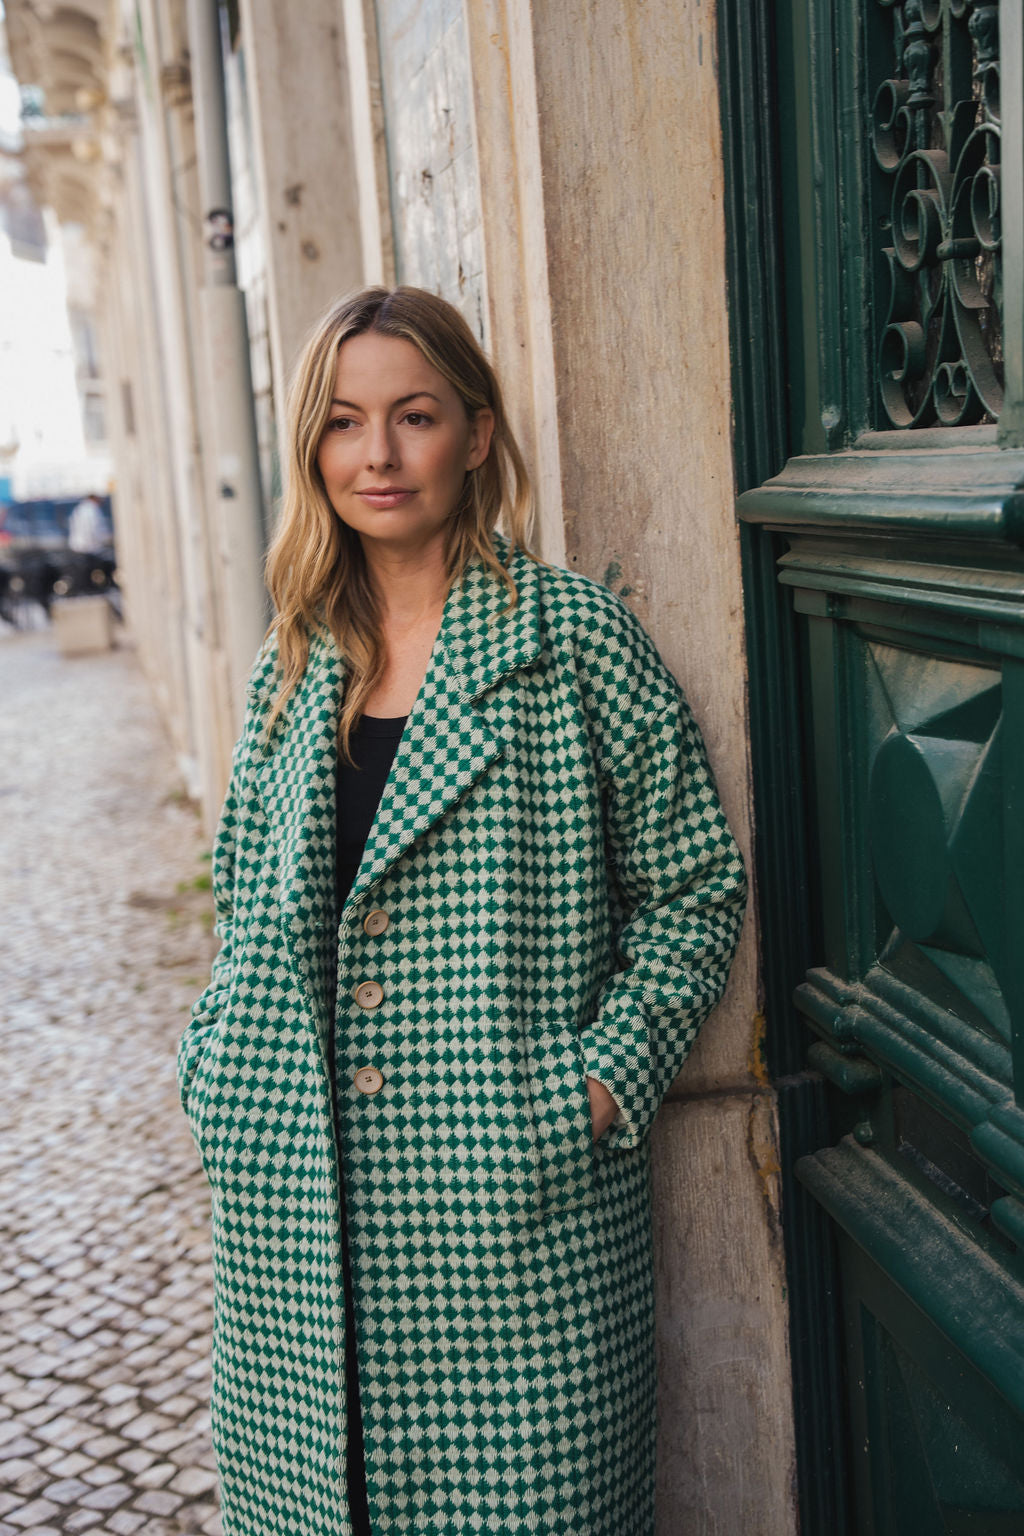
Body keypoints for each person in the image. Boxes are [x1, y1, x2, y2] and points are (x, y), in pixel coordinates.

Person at [177, 286, 747, 1536]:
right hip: (298, 1227)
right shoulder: (294, 661)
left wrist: (594, 1087)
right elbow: (244, 906)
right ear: (312, 449)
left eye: (414, 416)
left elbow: (695, 887)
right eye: (343, 422)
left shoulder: (569, 640)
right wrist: (215, 1067)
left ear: (477, 434)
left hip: (509, 1237)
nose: (376, 455)